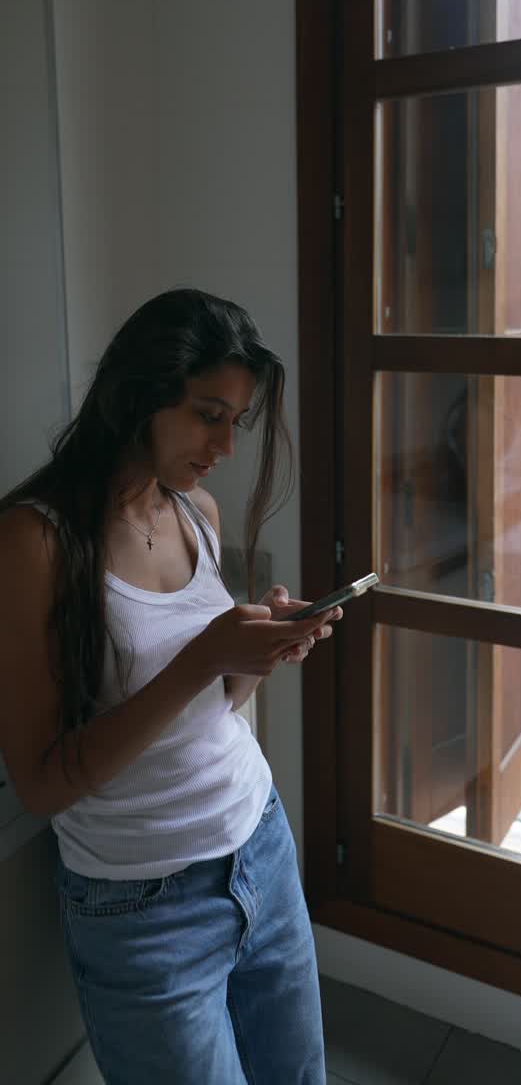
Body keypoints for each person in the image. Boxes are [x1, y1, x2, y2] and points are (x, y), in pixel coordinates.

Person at [0, 288, 340, 1084]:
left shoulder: (196, 514)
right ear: (138, 396)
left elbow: (208, 711)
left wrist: (252, 657)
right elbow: (44, 783)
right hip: (142, 908)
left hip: (258, 845)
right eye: (206, 414)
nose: (224, 445)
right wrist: (200, 657)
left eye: (237, 422)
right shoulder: (32, 543)